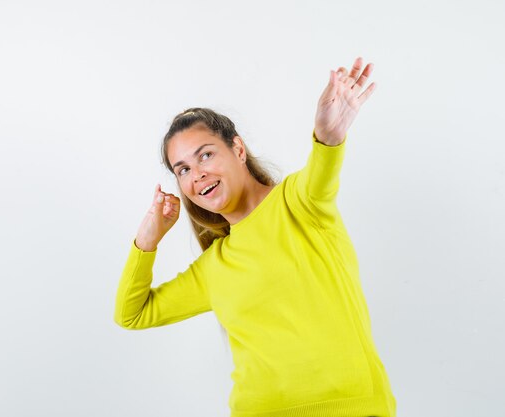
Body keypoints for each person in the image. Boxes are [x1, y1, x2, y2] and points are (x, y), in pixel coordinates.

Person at [113, 57, 397, 417]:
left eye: (205, 155)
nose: (197, 174)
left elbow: (321, 172)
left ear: (238, 149)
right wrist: (147, 240)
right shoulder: (214, 266)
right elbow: (131, 314)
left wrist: (327, 136)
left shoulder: (299, 202)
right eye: (183, 169)